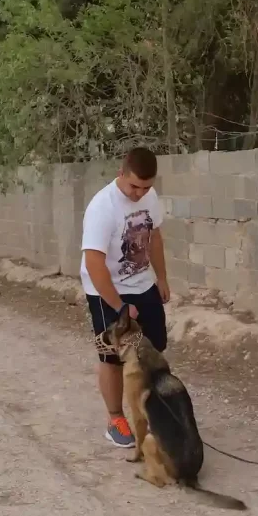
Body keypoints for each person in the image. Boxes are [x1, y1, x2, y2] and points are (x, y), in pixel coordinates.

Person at [81, 147, 171, 448]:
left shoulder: (150, 196)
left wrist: (162, 278)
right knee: (113, 357)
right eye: (134, 186)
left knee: (153, 349)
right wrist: (120, 307)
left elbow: (154, 237)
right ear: (121, 173)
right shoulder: (102, 207)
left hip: (142, 283)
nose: (139, 193)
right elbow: (94, 263)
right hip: (107, 289)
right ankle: (115, 419)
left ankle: (153, 412)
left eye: (146, 187)